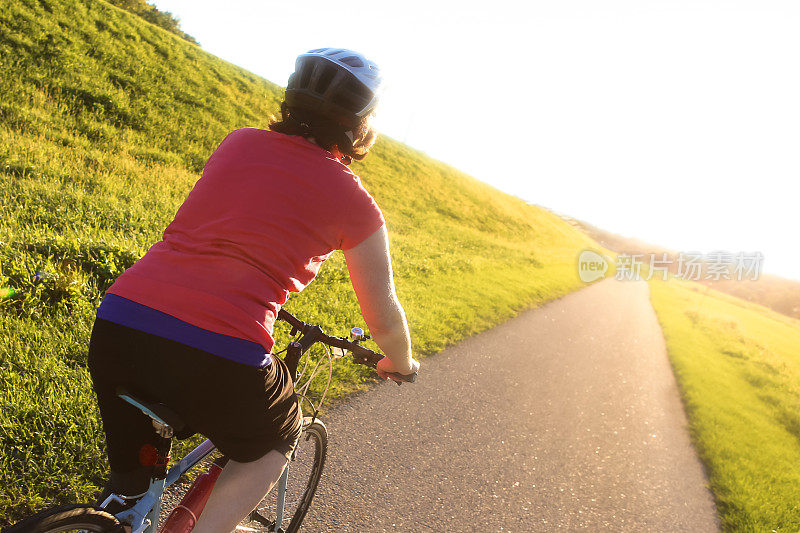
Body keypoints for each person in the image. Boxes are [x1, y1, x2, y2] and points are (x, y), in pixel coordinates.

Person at [87, 47, 420, 531]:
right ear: (360, 125)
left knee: (131, 484)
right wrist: (402, 362)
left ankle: (114, 513)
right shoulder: (355, 201)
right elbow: (383, 314)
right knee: (275, 439)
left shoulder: (238, 143)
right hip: (220, 349)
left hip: (121, 320)